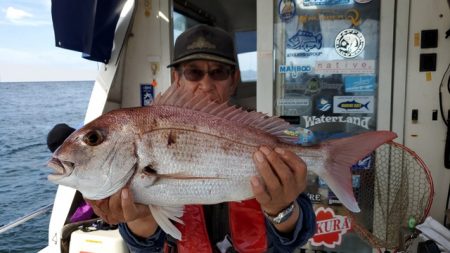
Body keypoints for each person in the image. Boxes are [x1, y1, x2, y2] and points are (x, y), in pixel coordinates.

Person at [85, 24, 316, 252]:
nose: (206, 85)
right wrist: (140, 220)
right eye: (193, 72)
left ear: (234, 79)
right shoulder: (149, 131)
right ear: (177, 78)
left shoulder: (258, 137)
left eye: (218, 72)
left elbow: (297, 237)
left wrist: (281, 210)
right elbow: (144, 249)